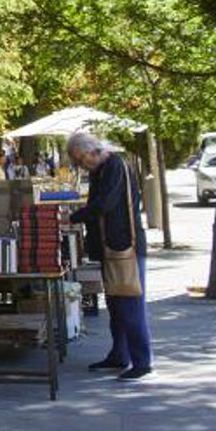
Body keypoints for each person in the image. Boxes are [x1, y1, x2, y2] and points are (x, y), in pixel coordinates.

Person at [66, 133, 153, 381]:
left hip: (125, 247)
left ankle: (142, 360)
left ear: (92, 151)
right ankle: (120, 354)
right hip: (112, 248)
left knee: (131, 304)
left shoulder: (115, 166)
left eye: (81, 159)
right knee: (116, 305)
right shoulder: (101, 170)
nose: (82, 165)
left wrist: (73, 217)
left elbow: (104, 204)